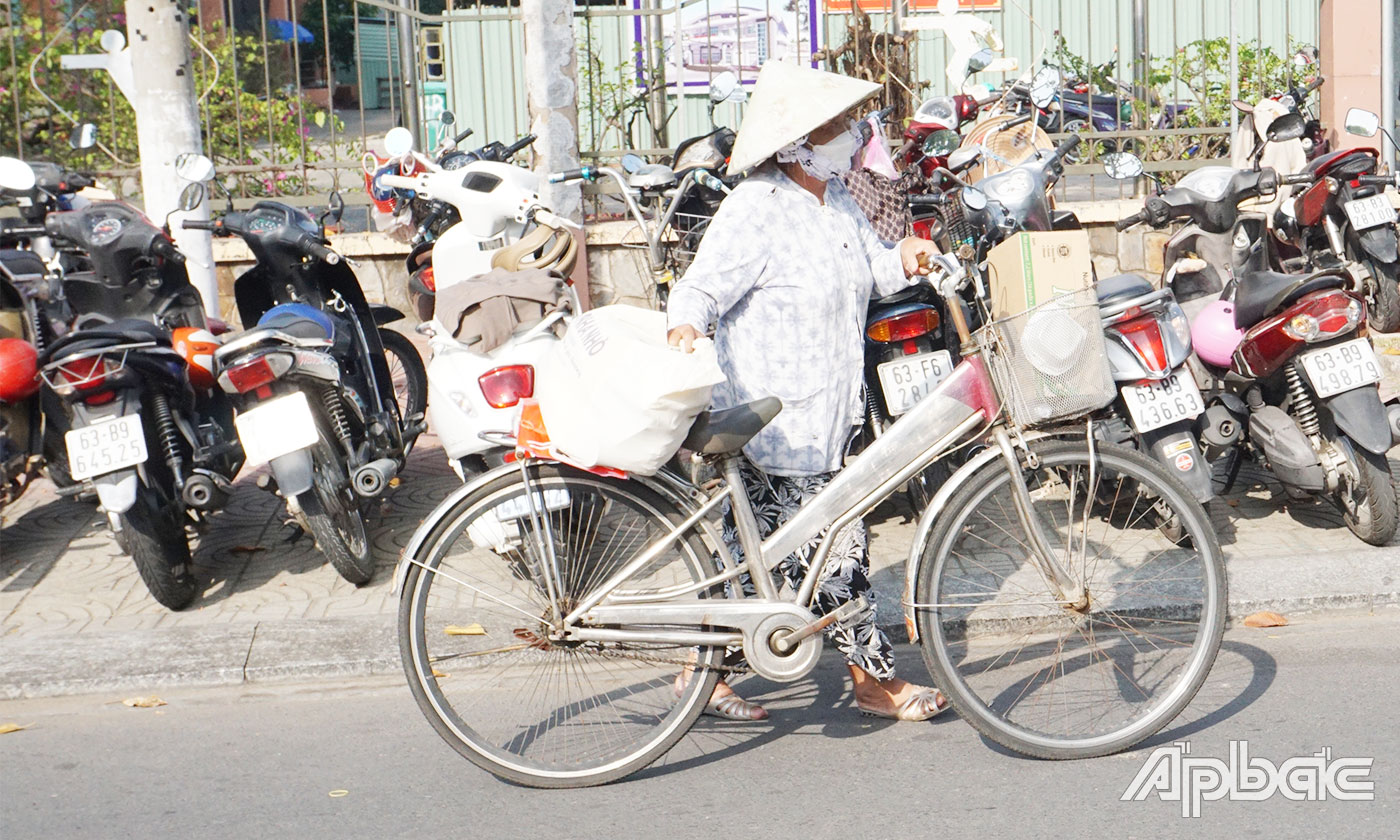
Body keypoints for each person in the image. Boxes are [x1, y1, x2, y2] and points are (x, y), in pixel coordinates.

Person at [666, 60, 947, 723]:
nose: (851, 134)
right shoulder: (755, 209)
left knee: (749, 567)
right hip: (770, 420)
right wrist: (684, 326)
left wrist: (905, 254)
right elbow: (701, 286)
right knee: (838, 555)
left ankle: (697, 679)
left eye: (850, 122)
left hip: (826, 415)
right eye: (835, 125)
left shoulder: (838, 200)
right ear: (795, 142)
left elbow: (871, 269)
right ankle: (873, 680)